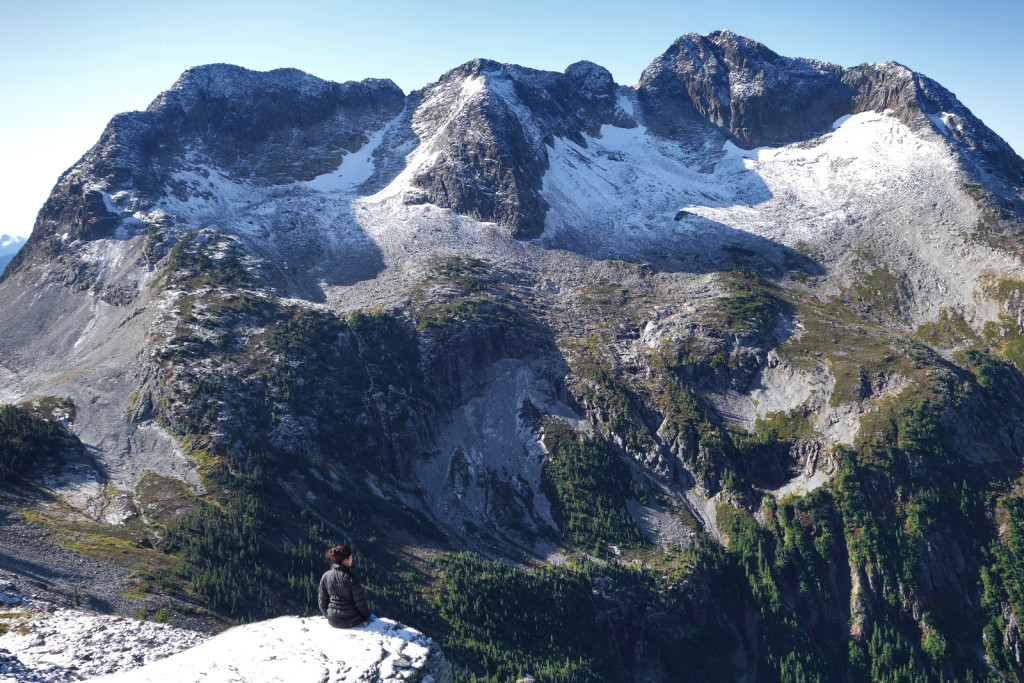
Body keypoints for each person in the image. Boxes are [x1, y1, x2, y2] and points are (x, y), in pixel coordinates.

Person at [318, 544, 372, 628]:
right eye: (351, 557)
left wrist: (329, 616)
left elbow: (322, 602)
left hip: (332, 620)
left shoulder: (325, 576)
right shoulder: (351, 578)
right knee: (373, 617)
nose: (352, 559)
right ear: (345, 560)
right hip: (351, 620)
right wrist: (368, 616)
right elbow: (360, 604)